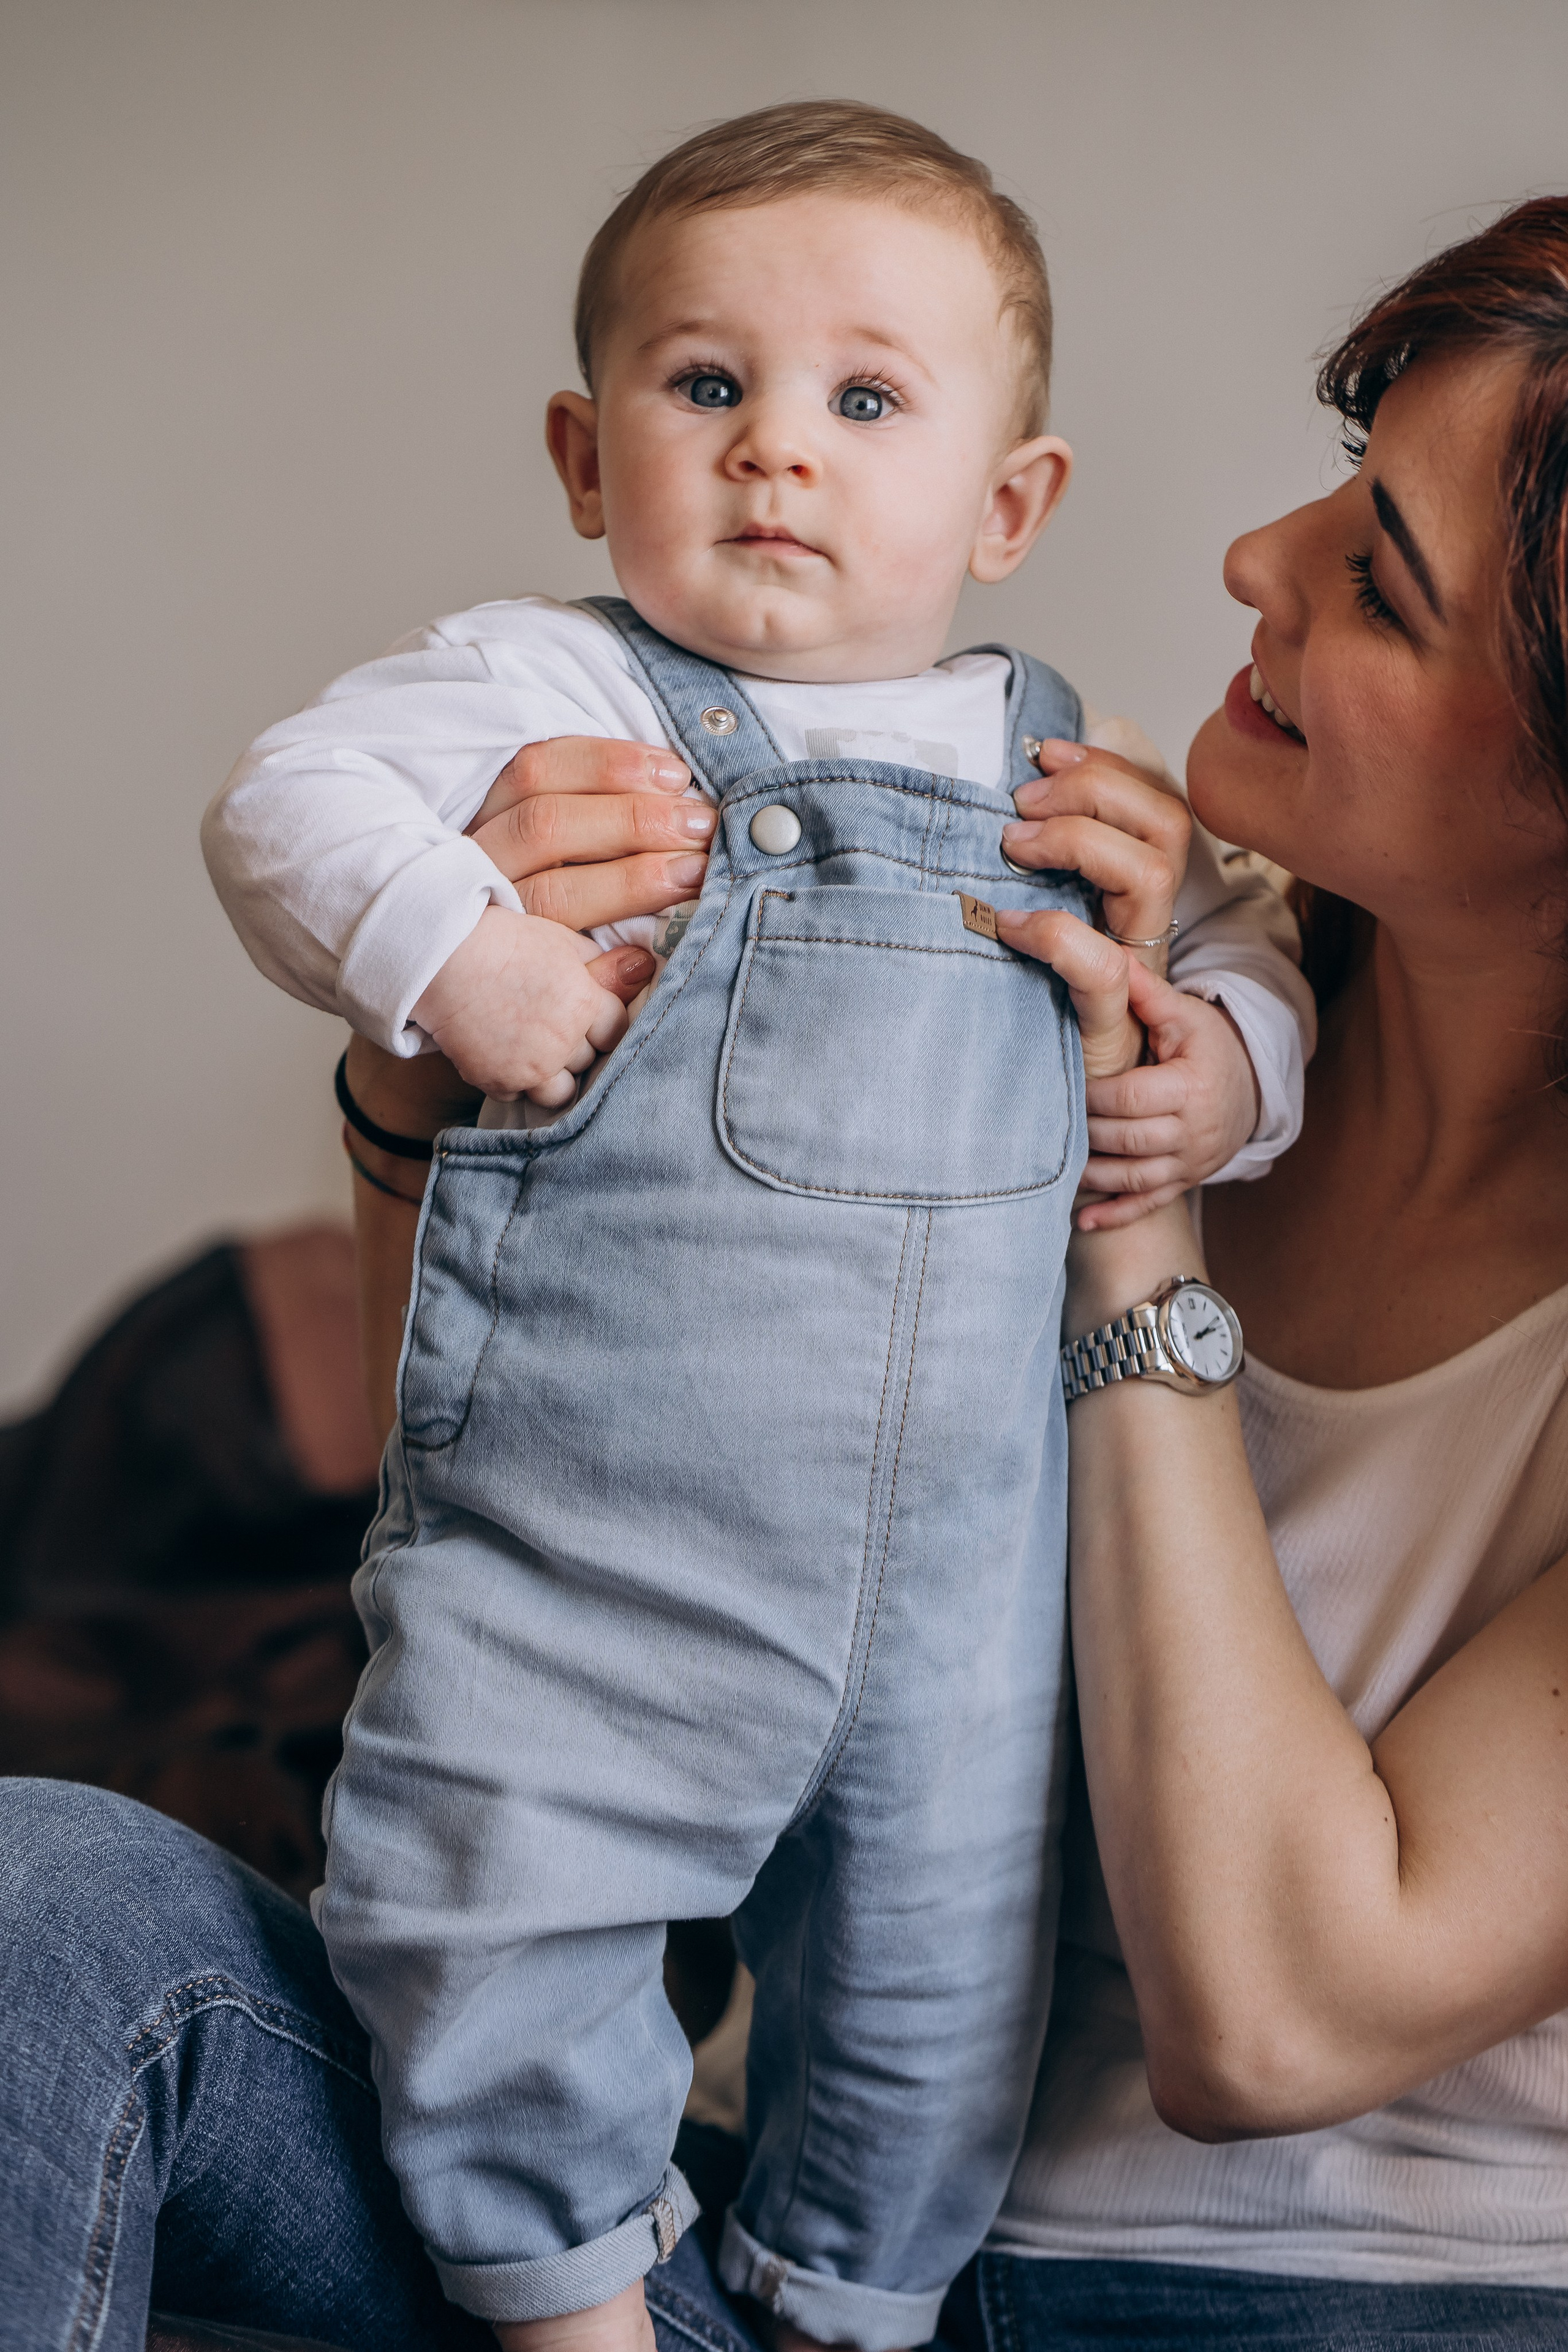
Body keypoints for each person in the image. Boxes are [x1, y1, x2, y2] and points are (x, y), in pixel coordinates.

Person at [198, 99, 1311, 2352]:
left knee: (936, 1981)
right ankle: (565, 2296)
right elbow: (280, 803)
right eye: (707, 387)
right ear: (585, 457)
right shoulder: (554, 685)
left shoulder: (1058, 761)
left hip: (960, 1608)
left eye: (864, 400)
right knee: (482, 1896)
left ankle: (845, 2298)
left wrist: (1230, 1072)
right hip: (591, 1549)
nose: (776, 453)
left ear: (1011, 505)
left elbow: (1242, 944)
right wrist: (456, 956)